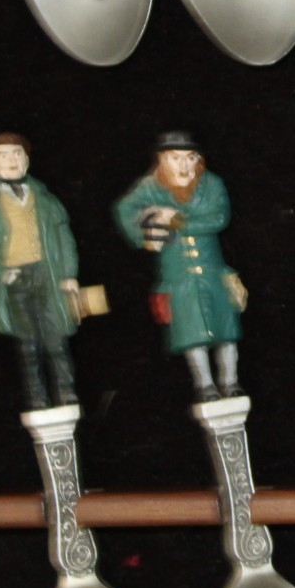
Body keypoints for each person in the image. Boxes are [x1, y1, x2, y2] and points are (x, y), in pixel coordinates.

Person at [113, 132, 245, 401]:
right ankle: (205, 385)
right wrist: (147, 227)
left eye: (190, 158)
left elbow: (219, 218)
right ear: (163, 159)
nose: (184, 165)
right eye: (176, 158)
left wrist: (178, 222)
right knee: (191, 333)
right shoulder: (151, 186)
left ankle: (230, 381)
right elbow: (125, 209)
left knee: (226, 331)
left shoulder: (212, 184)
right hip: (179, 275)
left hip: (212, 271)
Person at [0, 132, 83, 413]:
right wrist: (2, 272)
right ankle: (36, 397)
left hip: (48, 275)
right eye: (2, 155)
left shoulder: (44, 198)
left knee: (57, 338)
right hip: (17, 279)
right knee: (27, 343)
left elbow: (64, 237)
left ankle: (66, 391)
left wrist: (69, 274)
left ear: (27, 160)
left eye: (17, 153)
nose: (11, 160)